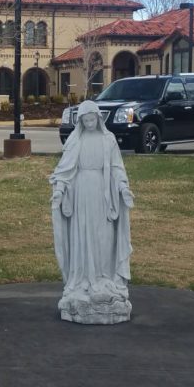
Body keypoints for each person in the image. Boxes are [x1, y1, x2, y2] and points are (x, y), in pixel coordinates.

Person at [49, 100, 134, 324]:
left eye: (91, 119)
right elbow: (65, 169)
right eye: (84, 120)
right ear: (80, 121)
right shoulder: (76, 140)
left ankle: (104, 278)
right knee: (83, 235)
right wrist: (59, 190)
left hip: (103, 191)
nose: (88, 123)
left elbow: (117, 167)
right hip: (81, 193)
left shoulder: (108, 140)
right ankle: (83, 280)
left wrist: (123, 188)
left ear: (98, 119)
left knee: (103, 236)